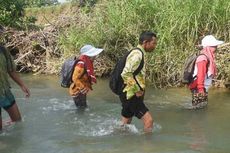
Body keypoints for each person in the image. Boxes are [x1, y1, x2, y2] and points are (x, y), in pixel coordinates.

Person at [119, 31, 157, 132]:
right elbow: (126, 73)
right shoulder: (137, 55)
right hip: (131, 94)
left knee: (126, 122)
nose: (155, 46)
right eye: (153, 43)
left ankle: (121, 141)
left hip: (127, 93)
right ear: (145, 42)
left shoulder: (139, 53)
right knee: (149, 121)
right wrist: (136, 90)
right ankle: (147, 146)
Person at [0, 25, 30, 130]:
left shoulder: (3, 50)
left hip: (4, 91)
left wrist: (22, 85)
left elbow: (11, 70)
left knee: (17, 121)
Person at [189, 35, 224, 108]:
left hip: (201, 88)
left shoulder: (206, 57)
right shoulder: (203, 58)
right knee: (198, 111)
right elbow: (200, 74)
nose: (216, 48)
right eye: (214, 46)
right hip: (199, 88)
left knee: (200, 109)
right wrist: (201, 89)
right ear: (208, 47)